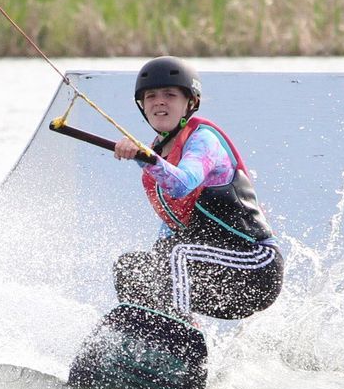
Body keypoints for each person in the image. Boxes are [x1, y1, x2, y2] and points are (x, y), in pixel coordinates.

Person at [110, 56, 284, 324]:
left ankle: (180, 334)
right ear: (142, 106)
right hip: (214, 273)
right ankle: (145, 338)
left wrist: (145, 158)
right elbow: (170, 232)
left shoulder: (203, 140)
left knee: (177, 253)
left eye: (170, 95)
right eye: (151, 96)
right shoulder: (157, 154)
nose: (159, 102)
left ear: (190, 102)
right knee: (133, 267)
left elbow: (183, 183)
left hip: (255, 267)